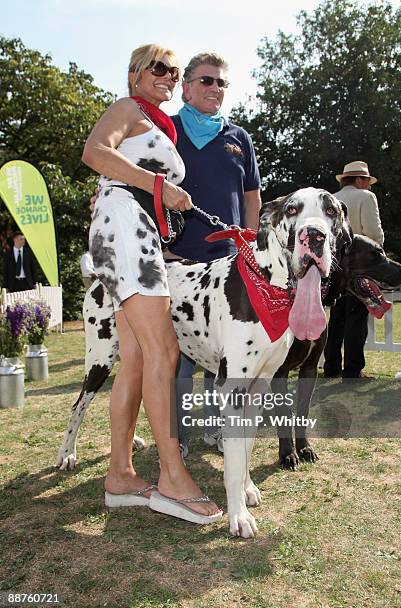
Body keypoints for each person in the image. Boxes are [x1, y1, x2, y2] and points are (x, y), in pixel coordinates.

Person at [82, 43, 221, 523]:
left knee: (140, 356)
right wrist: (161, 187)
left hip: (135, 230)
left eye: (175, 71)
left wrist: (162, 200)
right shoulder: (126, 109)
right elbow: (94, 152)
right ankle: (171, 477)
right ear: (135, 73)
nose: (168, 76)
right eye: (160, 68)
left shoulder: (158, 123)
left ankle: (120, 473)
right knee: (165, 351)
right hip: (125, 226)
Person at [168, 53, 261, 456]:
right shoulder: (166, 130)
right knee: (178, 361)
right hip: (177, 262)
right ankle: (178, 437)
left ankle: (217, 430)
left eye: (222, 83)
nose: (215, 89)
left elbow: (252, 198)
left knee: (225, 357)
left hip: (230, 266)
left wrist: (252, 245)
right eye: (206, 81)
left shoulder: (239, 137)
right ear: (186, 86)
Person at [324, 161, 384, 380]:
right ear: (359, 180)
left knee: (337, 318)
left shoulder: (330, 198)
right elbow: (373, 233)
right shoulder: (366, 197)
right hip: (358, 265)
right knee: (356, 317)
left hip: (334, 266)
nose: (369, 186)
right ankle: (352, 369)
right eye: (367, 181)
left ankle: (331, 367)